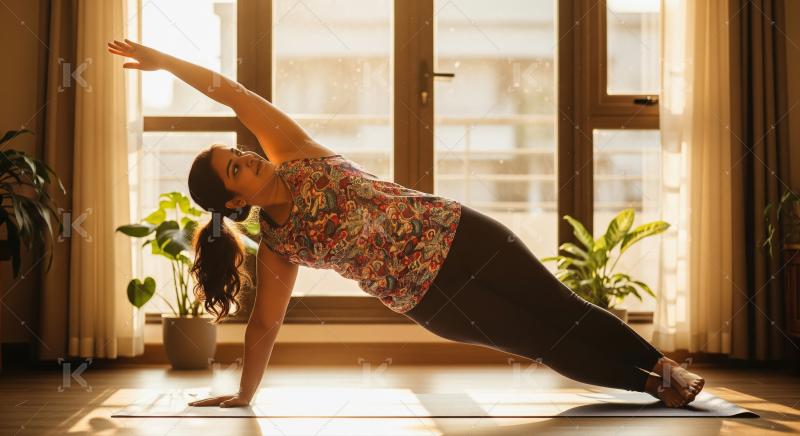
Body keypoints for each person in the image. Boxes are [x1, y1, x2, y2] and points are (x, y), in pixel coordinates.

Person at [107, 38, 705, 409]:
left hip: (463, 233)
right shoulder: (279, 247)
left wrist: (163, 63)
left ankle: (666, 364)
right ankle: (652, 385)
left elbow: (231, 93)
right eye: (237, 168)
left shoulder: (295, 150)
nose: (251, 156)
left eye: (239, 152)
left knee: (563, 308)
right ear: (235, 204)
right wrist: (243, 394)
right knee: (545, 342)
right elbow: (265, 325)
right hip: (432, 297)